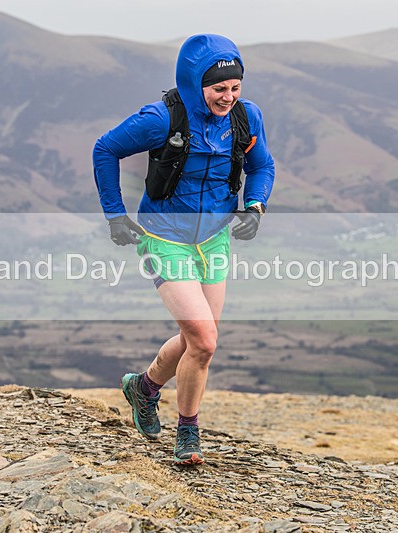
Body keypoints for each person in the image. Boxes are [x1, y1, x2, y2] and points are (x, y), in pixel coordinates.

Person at [93, 34, 275, 465]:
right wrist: (115, 215)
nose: (228, 97)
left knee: (199, 339)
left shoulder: (246, 118)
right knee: (205, 339)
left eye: (235, 87)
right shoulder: (161, 119)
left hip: (214, 238)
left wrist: (255, 204)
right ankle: (188, 432)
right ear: (197, 84)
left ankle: (145, 387)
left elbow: (261, 165)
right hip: (164, 237)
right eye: (218, 89)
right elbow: (106, 148)